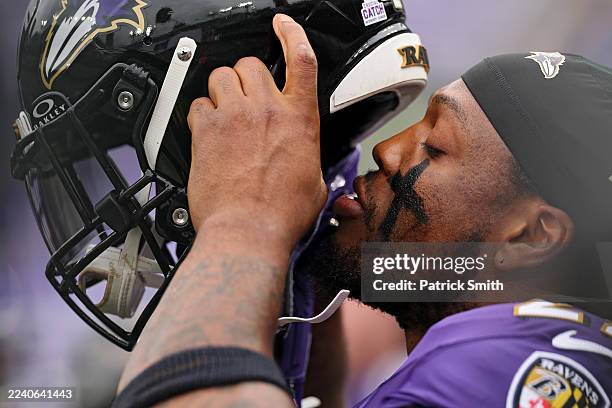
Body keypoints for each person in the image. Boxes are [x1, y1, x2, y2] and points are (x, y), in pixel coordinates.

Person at [114, 12, 612, 408]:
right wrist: (304, 271)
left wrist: (246, 218)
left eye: (433, 147)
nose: (387, 150)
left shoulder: (511, 370)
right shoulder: (546, 353)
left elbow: (192, 401)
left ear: (532, 237)